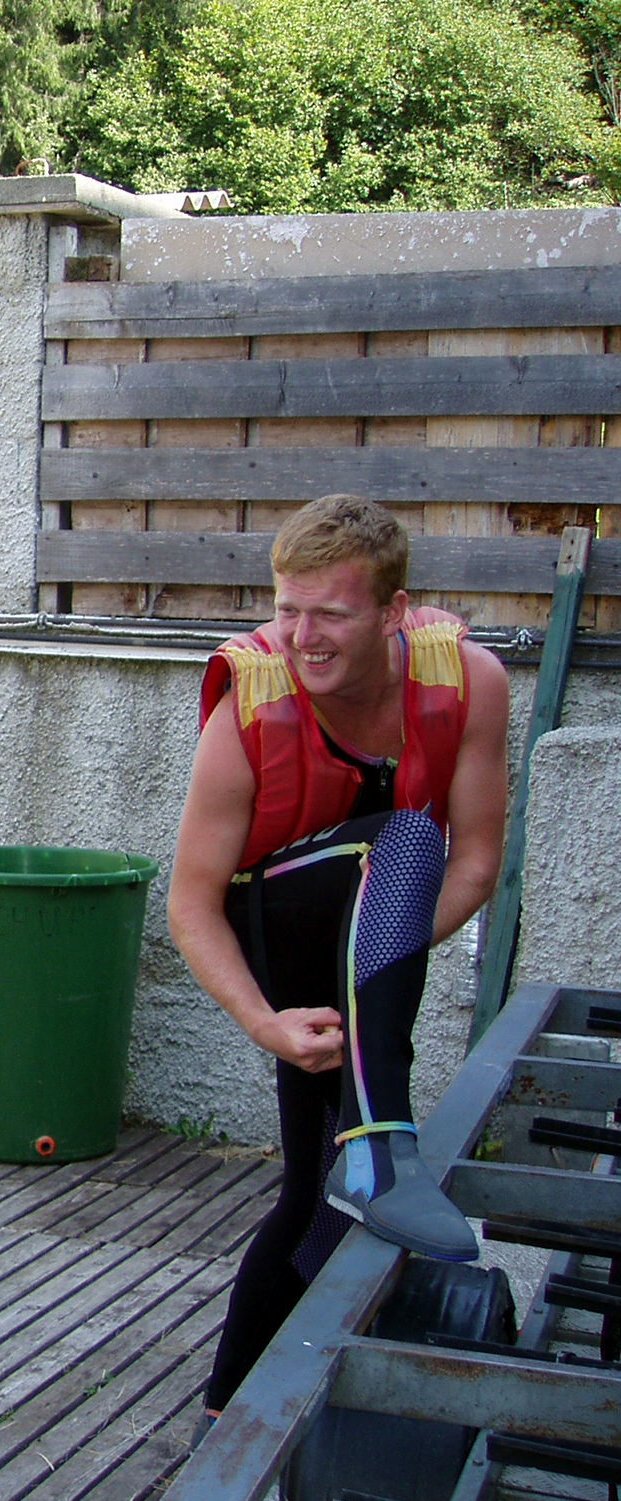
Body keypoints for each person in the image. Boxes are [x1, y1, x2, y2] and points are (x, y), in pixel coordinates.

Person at [168, 494, 509, 1427]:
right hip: (276, 931)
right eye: (287, 609)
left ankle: (228, 1416)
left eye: (330, 614)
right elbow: (191, 904)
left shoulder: (471, 682)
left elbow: (478, 865)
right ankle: (383, 1143)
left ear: (394, 611)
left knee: (311, 1195)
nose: (302, 637)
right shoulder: (250, 707)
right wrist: (263, 1022)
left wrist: (374, 961)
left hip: (376, 938)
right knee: (406, 835)